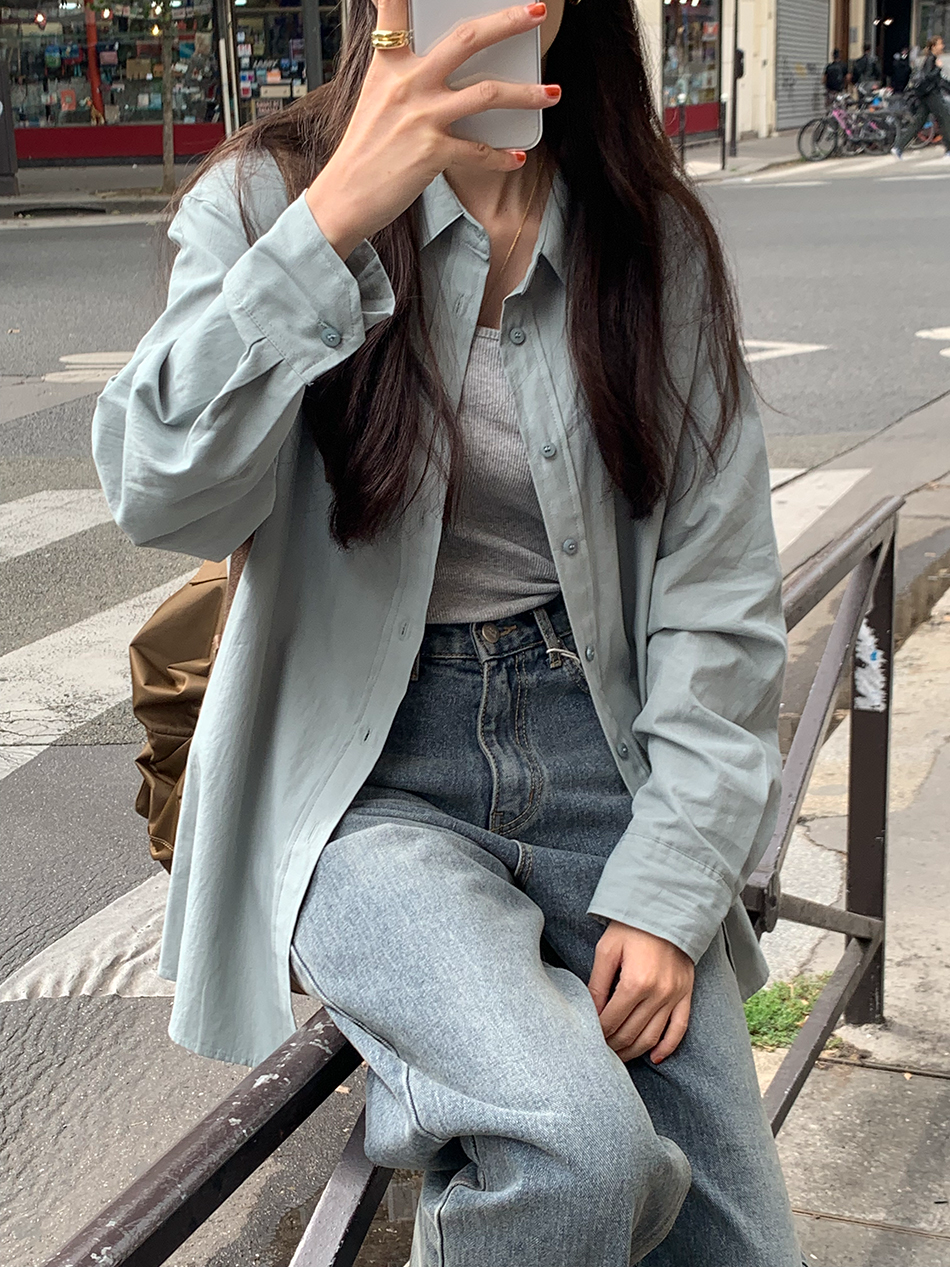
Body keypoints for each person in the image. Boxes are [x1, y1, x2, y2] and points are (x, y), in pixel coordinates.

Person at [92, 2, 806, 1264]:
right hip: (361, 785)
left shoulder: (642, 235)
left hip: (604, 762)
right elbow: (157, 495)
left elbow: (720, 598)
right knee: (573, 1153)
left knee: (731, 1246)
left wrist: (669, 887)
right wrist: (332, 222)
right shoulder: (267, 199)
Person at [893, 34, 950, 158]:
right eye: (940, 44)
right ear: (934, 46)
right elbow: (930, 76)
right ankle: (949, 149)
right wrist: (938, 68)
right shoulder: (931, 60)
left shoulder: (931, 59)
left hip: (926, 94)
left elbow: (939, 80)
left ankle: (898, 146)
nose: (942, 46)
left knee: (919, 121)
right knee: (945, 118)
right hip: (931, 94)